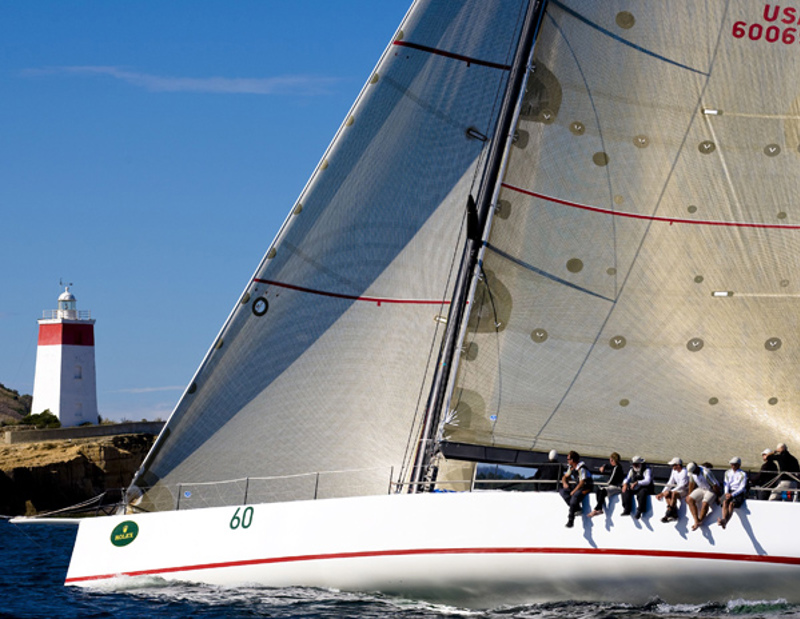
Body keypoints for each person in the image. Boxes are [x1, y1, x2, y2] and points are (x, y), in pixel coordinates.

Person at [559, 450, 593, 528]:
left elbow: (582, 482)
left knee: (574, 497)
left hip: (585, 488)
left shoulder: (581, 468)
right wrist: (564, 483)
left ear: (572, 460)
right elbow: (565, 477)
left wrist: (573, 491)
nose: (567, 461)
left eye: (568, 459)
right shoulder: (571, 467)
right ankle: (577, 508)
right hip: (578, 486)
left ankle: (571, 520)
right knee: (562, 491)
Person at [686, 461, 720, 530]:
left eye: (694, 472)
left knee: (705, 503)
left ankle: (700, 521)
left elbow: (715, 486)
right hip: (701, 488)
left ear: (696, 468)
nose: (693, 473)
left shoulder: (706, 473)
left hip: (711, 489)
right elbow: (691, 484)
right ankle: (696, 520)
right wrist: (689, 494)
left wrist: (718, 496)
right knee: (689, 499)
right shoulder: (692, 473)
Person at [588, 452, 624, 517]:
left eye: (610, 460)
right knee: (599, 490)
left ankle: (597, 509)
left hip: (617, 486)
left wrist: (606, 484)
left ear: (612, 460)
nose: (610, 461)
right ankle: (599, 508)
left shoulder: (617, 468)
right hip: (612, 485)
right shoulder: (613, 466)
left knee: (602, 490)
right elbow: (607, 465)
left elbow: (612, 479)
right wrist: (603, 467)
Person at [656, 457, 690, 523]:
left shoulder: (684, 472)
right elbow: (670, 482)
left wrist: (669, 491)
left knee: (673, 493)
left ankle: (668, 513)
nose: (672, 467)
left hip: (685, 490)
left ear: (678, 465)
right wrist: (663, 493)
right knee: (667, 494)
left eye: (673, 465)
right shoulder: (674, 471)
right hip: (679, 489)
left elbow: (682, 485)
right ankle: (673, 513)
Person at [718, 456, 747, 529]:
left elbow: (742, 487)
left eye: (735, 465)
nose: (733, 466)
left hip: (738, 492)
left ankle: (725, 521)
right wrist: (726, 492)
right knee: (725, 502)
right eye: (732, 464)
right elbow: (726, 484)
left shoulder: (743, 474)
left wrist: (732, 495)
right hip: (729, 491)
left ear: (738, 465)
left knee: (731, 504)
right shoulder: (727, 472)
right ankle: (724, 519)